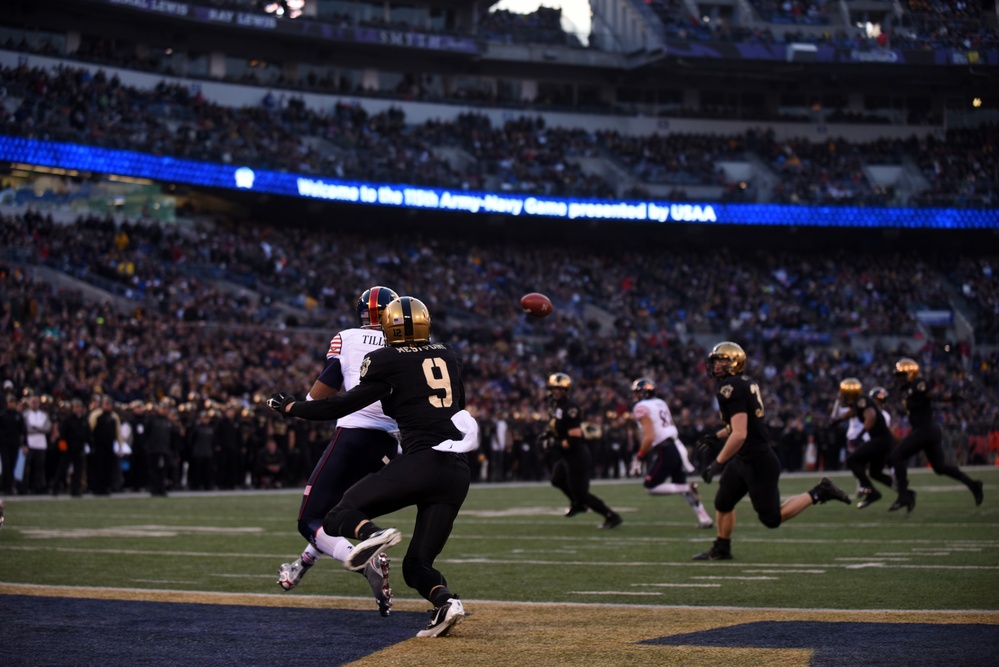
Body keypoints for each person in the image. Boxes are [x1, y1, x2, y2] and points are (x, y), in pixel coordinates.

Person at [267, 296, 476, 638]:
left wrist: (292, 407)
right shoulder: (448, 354)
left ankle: (373, 535)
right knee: (417, 565)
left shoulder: (384, 359)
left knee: (337, 515)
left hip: (422, 461)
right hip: (457, 469)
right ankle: (445, 603)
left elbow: (342, 403)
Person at [276, 286, 402, 619]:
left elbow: (322, 392)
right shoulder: (406, 345)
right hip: (392, 444)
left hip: (353, 436)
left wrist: (297, 406)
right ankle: (300, 566)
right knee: (332, 512)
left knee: (308, 520)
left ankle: (364, 561)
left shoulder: (347, 338)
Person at [693, 342, 851, 561]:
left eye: (721, 360)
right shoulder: (744, 382)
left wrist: (717, 462)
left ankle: (820, 492)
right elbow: (739, 425)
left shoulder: (730, 387)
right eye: (716, 361)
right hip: (744, 458)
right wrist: (716, 436)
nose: (717, 365)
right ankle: (722, 548)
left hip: (758, 461)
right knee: (723, 502)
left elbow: (739, 434)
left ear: (734, 362)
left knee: (772, 519)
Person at [888, 357, 983, 512]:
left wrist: (952, 397)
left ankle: (904, 496)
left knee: (896, 456)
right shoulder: (906, 390)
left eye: (901, 375)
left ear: (911, 374)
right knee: (940, 467)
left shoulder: (918, 384)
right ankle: (973, 484)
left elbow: (931, 395)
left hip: (925, 430)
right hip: (926, 431)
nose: (899, 379)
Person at [628, 377, 713, 528]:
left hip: (666, 448)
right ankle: (705, 518)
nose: (634, 396)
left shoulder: (641, 407)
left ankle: (688, 488)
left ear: (643, 393)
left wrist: (639, 457)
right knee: (680, 484)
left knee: (650, 486)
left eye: (636, 392)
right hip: (677, 445)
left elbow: (649, 437)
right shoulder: (661, 402)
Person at [544, 372, 622, 529]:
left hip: (577, 455)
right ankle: (577, 504)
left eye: (560, 389)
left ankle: (611, 516)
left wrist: (554, 443)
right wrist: (548, 435)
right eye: (554, 388)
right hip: (568, 455)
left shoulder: (570, 408)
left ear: (567, 390)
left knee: (582, 493)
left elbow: (574, 438)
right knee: (557, 480)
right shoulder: (555, 406)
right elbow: (557, 428)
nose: (556, 392)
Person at [834, 378, 896, 509]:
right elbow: (845, 414)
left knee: (854, 461)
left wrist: (859, 435)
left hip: (874, 440)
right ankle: (900, 488)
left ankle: (869, 488)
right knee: (873, 471)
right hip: (872, 440)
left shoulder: (865, 404)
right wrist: (837, 420)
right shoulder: (858, 405)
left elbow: (871, 418)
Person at [23, 394, 52, 494]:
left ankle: (38, 487)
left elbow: (47, 428)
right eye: (33, 402)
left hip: (41, 444)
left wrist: (35, 428)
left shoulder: (43, 415)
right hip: (30, 443)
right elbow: (26, 429)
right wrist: (39, 429)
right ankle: (26, 487)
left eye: (36, 402)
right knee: (28, 467)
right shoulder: (25, 414)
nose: (34, 404)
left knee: (39, 466)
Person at [0, 393, 27, 495]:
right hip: (4, 445)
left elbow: (23, 431)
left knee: (13, 466)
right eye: (10, 402)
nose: (11, 404)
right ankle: (6, 487)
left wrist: (24, 444)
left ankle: (10, 487)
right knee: (6, 466)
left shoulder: (18, 416)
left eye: (13, 402)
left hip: (14, 444)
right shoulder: (2, 415)